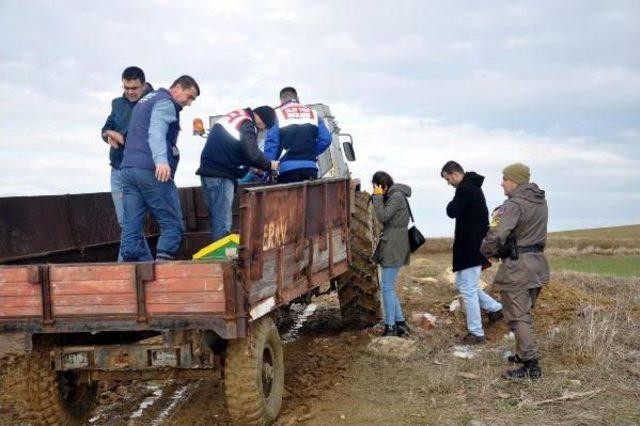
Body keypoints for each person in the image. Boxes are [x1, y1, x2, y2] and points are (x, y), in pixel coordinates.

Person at [119, 75, 200, 261]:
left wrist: (130, 177)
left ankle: (130, 274)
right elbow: (156, 130)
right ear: (177, 88)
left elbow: (133, 136)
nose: (189, 103)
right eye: (189, 97)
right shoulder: (165, 102)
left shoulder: (144, 102)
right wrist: (161, 161)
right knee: (172, 225)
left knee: (131, 227)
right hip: (151, 169)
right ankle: (163, 276)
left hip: (129, 169)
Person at [480, 163, 549, 379]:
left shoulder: (513, 205)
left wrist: (486, 250)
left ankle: (531, 365)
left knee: (518, 317)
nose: (502, 183)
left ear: (515, 180)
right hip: (537, 266)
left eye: (504, 179)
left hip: (518, 267)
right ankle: (521, 354)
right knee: (523, 313)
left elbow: (497, 234)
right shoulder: (540, 201)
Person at [441, 161, 503, 344]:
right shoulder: (473, 186)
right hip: (473, 245)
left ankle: (476, 333)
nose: (448, 183)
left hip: (470, 246)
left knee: (467, 289)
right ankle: (496, 309)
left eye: (447, 179)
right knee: (464, 284)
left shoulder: (465, 188)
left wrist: (453, 200)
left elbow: (451, 211)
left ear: (453, 174)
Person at [196, 107, 279, 241]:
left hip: (208, 172)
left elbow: (234, 147)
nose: (262, 130)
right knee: (222, 222)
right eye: (264, 126)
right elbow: (251, 152)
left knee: (216, 218)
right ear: (261, 118)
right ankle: (222, 259)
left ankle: (216, 255)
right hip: (221, 174)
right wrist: (269, 164)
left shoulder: (236, 116)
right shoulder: (247, 123)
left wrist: (252, 166)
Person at [101, 66, 153, 259]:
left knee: (130, 221)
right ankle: (147, 263)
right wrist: (107, 135)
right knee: (126, 222)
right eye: (126, 87)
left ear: (143, 85)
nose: (130, 92)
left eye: (134, 88)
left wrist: (121, 137)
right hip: (116, 168)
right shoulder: (117, 103)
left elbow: (148, 136)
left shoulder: (151, 103)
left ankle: (125, 267)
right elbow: (107, 127)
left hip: (138, 170)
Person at [371, 171, 412, 337]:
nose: (375, 191)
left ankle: (390, 327)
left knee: (386, 288)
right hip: (394, 241)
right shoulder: (398, 194)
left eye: (376, 188)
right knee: (389, 287)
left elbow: (382, 216)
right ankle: (400, 322)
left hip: (394, 243)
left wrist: (378, 198)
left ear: (383, 185)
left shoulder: (396, 196)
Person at [263, 87, 332, 183]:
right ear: (298, 98)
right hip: (310, 167)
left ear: (281, 100)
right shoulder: (313, 113)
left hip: (287, 170)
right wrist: (311, 152)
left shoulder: (277, 114)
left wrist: (266, 169)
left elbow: (272, 144)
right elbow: (326, 139)